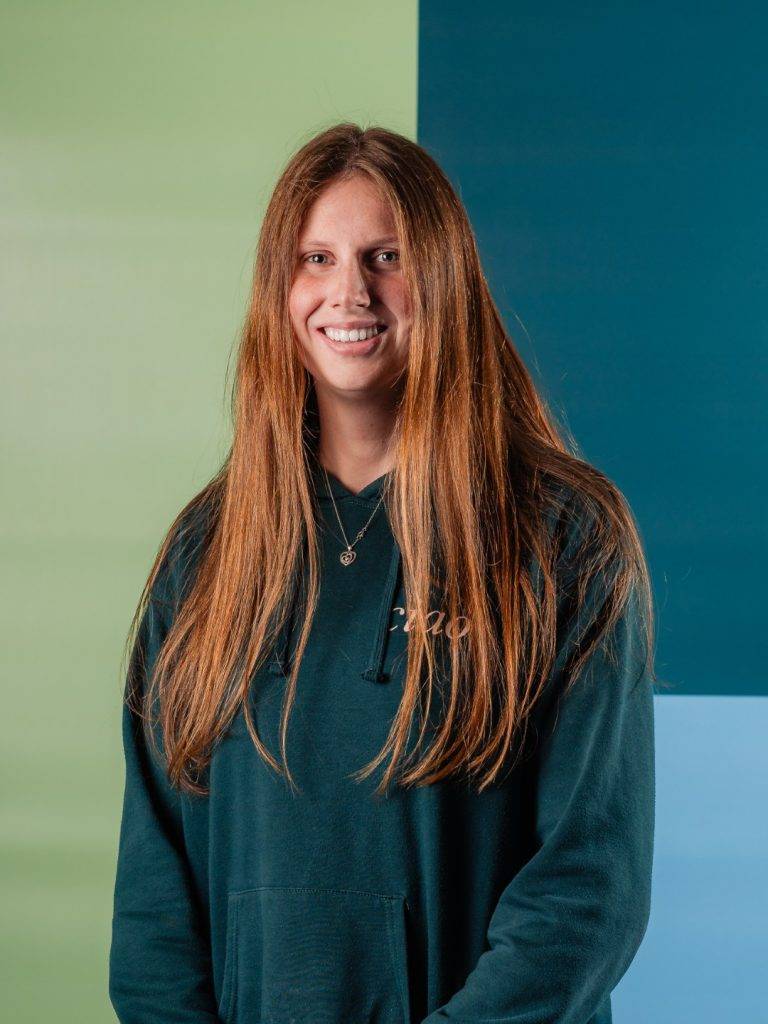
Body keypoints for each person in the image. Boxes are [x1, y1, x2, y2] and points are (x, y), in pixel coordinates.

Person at [108, 122, 657, 1024]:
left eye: (386, 257)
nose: (348, 292)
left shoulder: (564, 537)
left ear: (443, 276)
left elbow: (587, 890)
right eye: (316, 258)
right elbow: (153, 903)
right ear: (279, 289)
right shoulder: (207, 552)